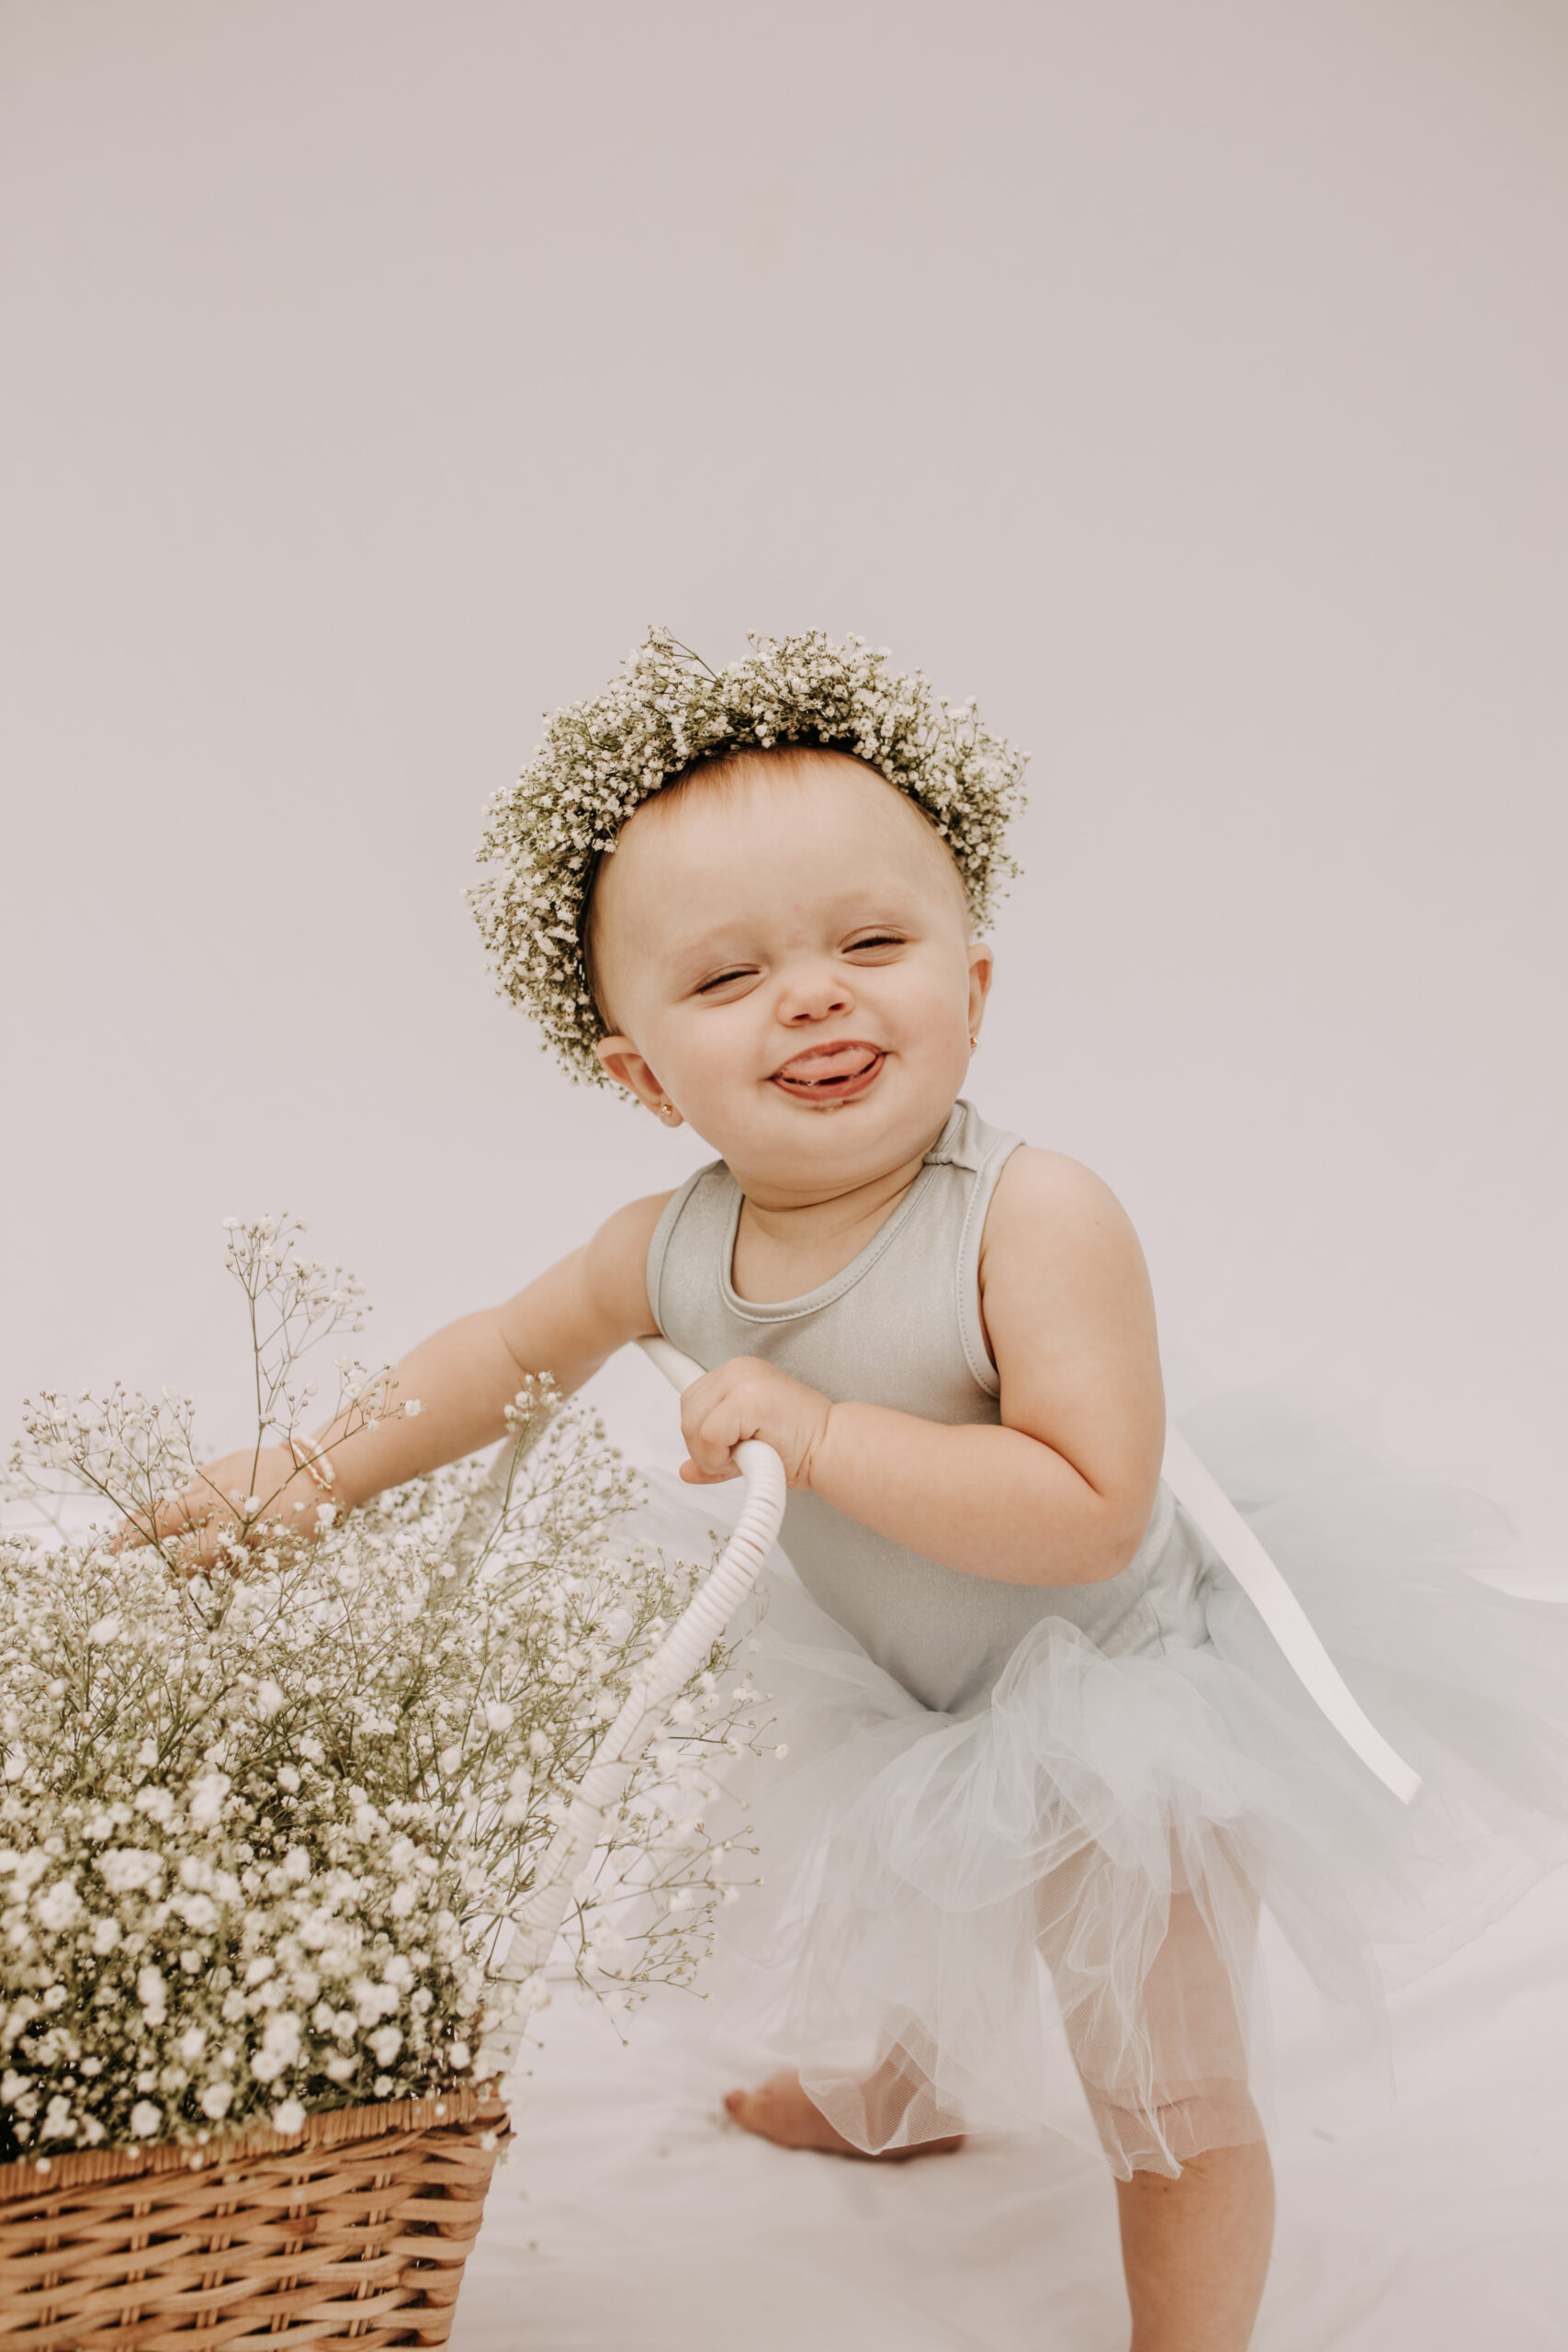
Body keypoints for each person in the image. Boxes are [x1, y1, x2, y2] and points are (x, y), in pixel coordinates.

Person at [152, 632, 1568, 2352]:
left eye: (872, 942)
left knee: (1167, 2090)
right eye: (731, 975)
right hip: (925, 1675)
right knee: (925, 1863)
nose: (815, 995)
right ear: (642, 1075)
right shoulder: (668, 1246)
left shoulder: (1034, 1215)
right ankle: (905, 2089)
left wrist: (816, 1435)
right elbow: (498, 1351)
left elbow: (1092, 1507)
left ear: (976, 984)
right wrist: (310, 1474)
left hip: (1136, 1693)